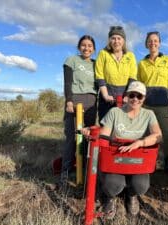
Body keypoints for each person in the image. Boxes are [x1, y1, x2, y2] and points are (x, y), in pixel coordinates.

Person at [82, 81, 162, 219]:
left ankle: (131, 196)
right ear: (126, 96)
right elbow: (105, 136)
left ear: (144, 98)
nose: (135, 99)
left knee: (141, 185)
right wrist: (93, 133)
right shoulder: (115, 112)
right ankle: (110, 198)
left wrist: (140, 143)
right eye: (132, 95)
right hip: (116, 159)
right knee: (113, 184)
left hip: (137, 160)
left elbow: (158, 136)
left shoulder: (149, 114)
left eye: (139, 96)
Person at [137, 31, 168, 176]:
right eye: (150, 41)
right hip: (147, 104)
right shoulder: (141, 63)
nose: (153, 43)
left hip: (164, 103)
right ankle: (150, 163)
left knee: (167, 133)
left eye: (155, 41)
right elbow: (139, 84)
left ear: (159, 43)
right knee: (148, 133)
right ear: (146, 44)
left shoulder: (167, 60)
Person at [61, 35, 97, 183]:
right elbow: (67, 82)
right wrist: (69, 101)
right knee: (71, 136)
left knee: (88, 137)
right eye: (83, 45)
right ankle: (66, 170)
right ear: (79, 47)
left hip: (91, 101)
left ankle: (86, 169)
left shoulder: (96, 64)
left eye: (89, 46)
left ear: (93, 49)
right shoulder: (72, 60)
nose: (86, 48)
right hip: (74, 100)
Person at [95, 26, 137, 123]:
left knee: (123, 126)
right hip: (107, 97)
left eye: (119, 38)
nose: (116, 41)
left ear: (124, 41)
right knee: (106, 126)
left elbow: (132, 78)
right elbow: (99, 76)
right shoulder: (103, 53)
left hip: (125, 98)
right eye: (113, 38)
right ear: (109, 40)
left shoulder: (130, 56)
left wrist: (128, 95)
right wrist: (105, 95)